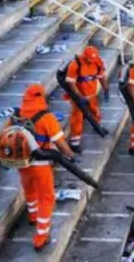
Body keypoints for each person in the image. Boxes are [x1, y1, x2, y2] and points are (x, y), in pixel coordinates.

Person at [16, 84, 76, 251]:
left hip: (22, 163)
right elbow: (60, 143)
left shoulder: (17, 114)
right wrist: (72, 156)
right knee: (46, 198)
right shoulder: (46, 117)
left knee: (29, 190)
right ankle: (41, 236)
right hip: (40, 164)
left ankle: (32, 216)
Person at [63, 46, 109, 152]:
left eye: (93, 59)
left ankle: (97, 126)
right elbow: (71, 83)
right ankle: (74, 141)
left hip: (91, 94)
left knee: (95, 111)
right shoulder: (75, 64)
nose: (91, 61)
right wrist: (79, 97)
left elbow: (101, 76)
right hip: (78, 96)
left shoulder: (98, 62)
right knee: (77, 117)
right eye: (89, 59)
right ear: (84, 56)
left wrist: (106, 88)